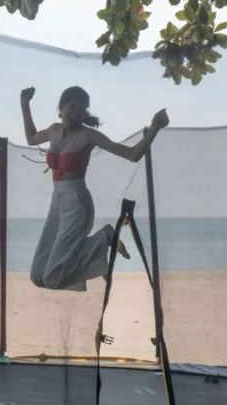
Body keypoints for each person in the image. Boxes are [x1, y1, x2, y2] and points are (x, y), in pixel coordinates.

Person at [22, 85, 169, 291]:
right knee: (38, 277)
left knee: (53, 278)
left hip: (77, 203)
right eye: (72, 107)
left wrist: (154, 128)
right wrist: (25, 104)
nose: (76, 114)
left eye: (82, 111)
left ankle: (104, 237)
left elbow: (132, 154)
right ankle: (98, 253)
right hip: (58, 202)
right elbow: (31, 138)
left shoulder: (88, 136)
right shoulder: (54, 130)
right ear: (62, 106)